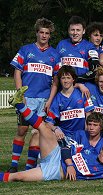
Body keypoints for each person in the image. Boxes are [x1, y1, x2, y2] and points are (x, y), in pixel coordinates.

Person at [0, 87, 103, 182]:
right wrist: (70, 165)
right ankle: (18, 103)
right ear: (101, 150)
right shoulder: (90, 149)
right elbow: (66, 146)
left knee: (18, 177)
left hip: (56, 171)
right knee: (43, 127)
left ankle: (24, 171)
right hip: (57, 156)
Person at [8, 18, 60, 172]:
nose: (44, 35)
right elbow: (17, 72)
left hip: (43, 99)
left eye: (47, 33)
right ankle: (14, 165)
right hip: (27, 97)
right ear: (37, 33)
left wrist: (50, 100)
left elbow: (56, 81)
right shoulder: (25, 50)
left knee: (37, 132)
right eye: (41, 32)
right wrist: (20, 94)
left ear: (50, 35)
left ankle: (30, 166)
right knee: (22, 130)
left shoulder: (55, 55)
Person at [45, 66, 94, 139]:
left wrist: (86, 136)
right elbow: (48, 123)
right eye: (63, 78)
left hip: (82, 135)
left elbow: (89, 116)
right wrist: (55, 129)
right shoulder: (57, 99)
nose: (65, 81)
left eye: (68, 78)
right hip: (64, 136)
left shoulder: (82, 93)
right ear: (60, 80)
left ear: (73, 79)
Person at [56, 15, 99, 83]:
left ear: (84, 31)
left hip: (82, 87)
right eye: (72, 30)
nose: (75, 33)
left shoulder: (90, 46)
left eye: (78, 30)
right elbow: (55, 68)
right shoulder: (61, 44)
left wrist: (77, 80)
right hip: (63, 87)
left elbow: (95, 69)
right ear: (68, 30)